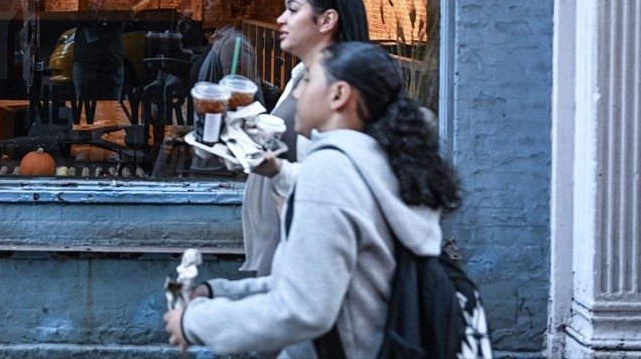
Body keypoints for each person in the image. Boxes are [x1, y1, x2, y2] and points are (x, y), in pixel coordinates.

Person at [164, 42, 462, 358]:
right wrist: (217, 292)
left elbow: (300, 309)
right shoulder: (377, 164)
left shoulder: (331, 172)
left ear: (339, 95)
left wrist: (193, 322)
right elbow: (313, 284)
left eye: (306, 81)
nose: (294, 93)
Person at [243, 0, 370, 278]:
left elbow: (342, 184)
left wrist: (278, 171)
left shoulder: (340, 91)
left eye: (292, 9)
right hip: (284, 234)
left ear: (326, 21)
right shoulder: (302, 74)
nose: (280, 18)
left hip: (309, 248)